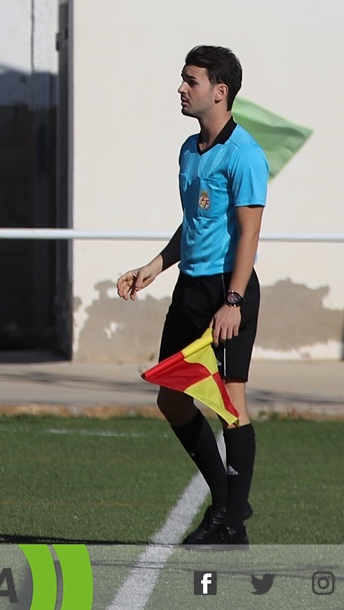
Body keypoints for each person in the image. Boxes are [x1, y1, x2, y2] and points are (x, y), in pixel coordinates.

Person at [116, 45, 268, 546]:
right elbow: (195, 224)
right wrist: (154, 266)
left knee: (231, 403)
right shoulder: (188, 149)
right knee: (172, 399)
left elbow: (248, 234)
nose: (181, 88)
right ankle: (226, 500)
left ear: (219, 92)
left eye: (191, 80)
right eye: (183, 79)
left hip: (229, 291)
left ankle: (231, 524)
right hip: (190, 289)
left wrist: (235, 301)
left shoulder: (246, 154)